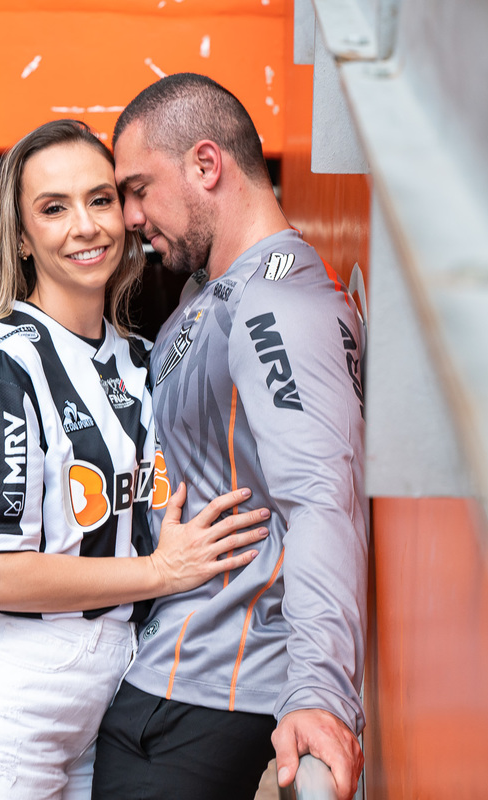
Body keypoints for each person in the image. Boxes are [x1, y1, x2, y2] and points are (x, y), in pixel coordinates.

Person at [0, 119, 271, 800]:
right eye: (53, 207)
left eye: (100, 200)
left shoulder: (140, 359)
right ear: (21, 237)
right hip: (2, 707)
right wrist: (158, 570)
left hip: (109, 696)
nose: (85, 226)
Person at [93, 74, 368, 800]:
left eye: (138, 188)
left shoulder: (276, 303)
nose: (128, 217)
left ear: (207, 165)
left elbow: (321, 501)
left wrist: (319, 693)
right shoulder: (203, 295)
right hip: (160, 669)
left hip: (213, 690)